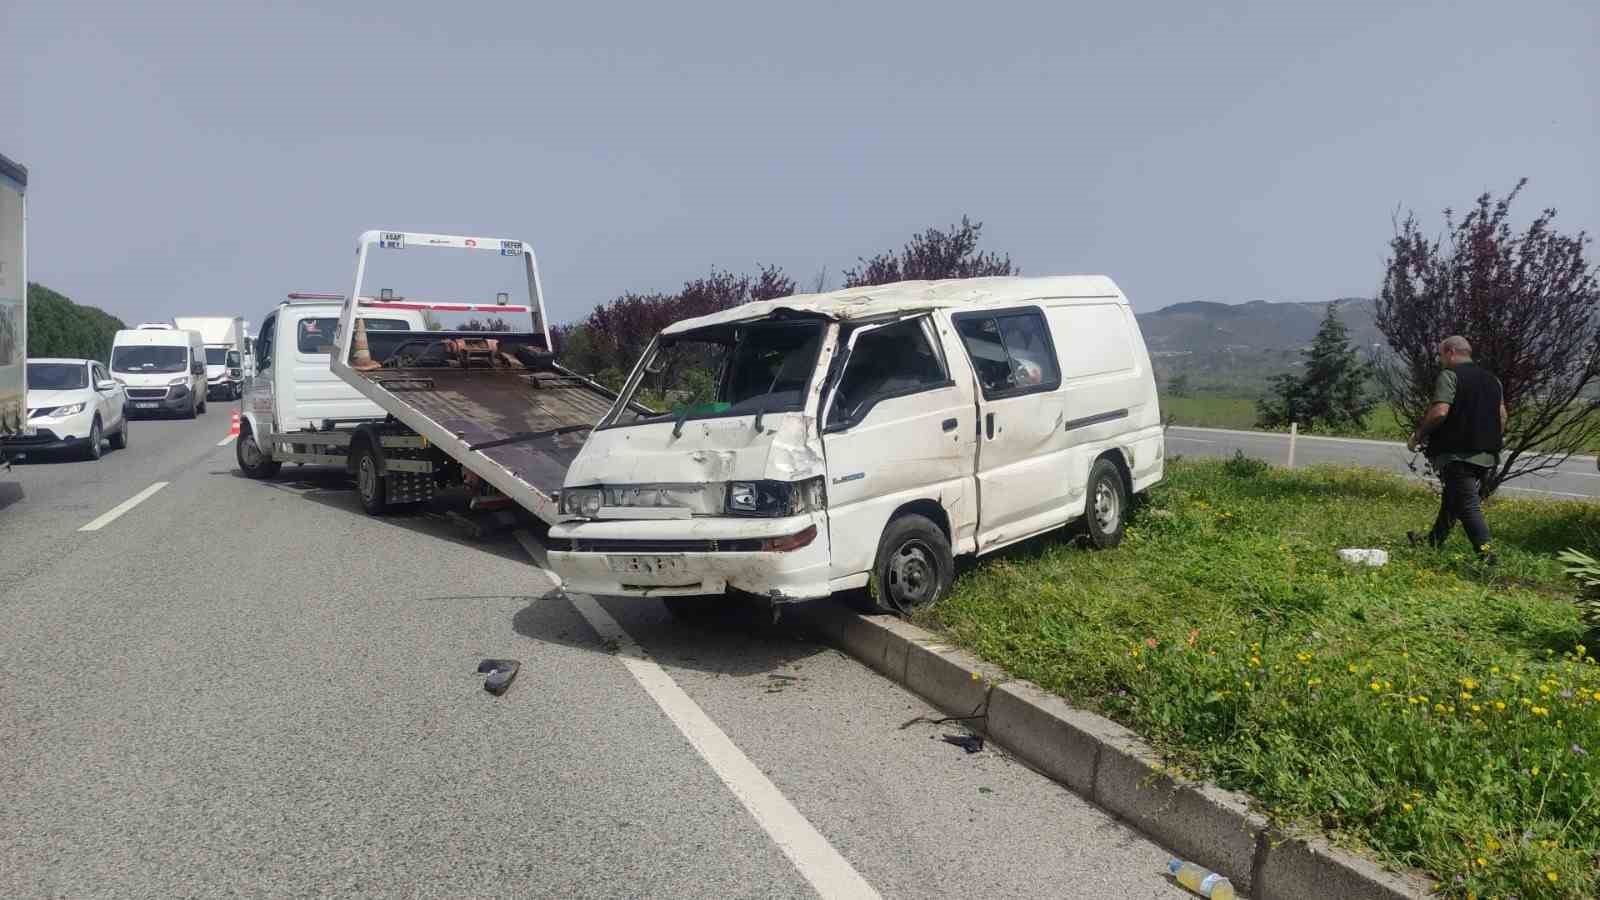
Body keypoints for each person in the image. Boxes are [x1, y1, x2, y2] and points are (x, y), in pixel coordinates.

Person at [1406, 335, 1507, 561]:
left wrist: (1419, 435)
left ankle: (1488, 558)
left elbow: (1440, 411)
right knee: (1453, 499)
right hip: (1487, 455)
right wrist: (1493, 439)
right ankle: (1432, 543)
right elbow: (1502, 416)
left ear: (1451, 352)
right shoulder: (1493, 380)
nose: (1441, 360)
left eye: (1441, 355)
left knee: (1468, 505)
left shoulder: (1449, 375)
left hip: (1458, 453)